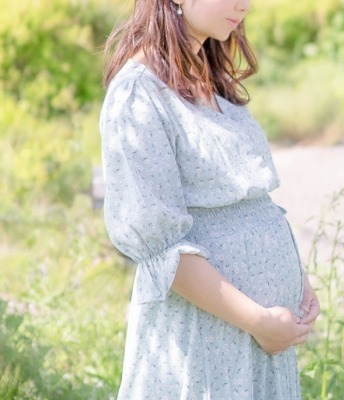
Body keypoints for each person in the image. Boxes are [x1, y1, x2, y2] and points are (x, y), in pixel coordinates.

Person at [99, 0, 320, 398]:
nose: (244, 4)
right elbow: (163, 251)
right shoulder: (139, 94)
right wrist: (259, 321)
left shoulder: (210, 78)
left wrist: (296, 283)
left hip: (259, 340)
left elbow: (248, 202)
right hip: (206, 339)